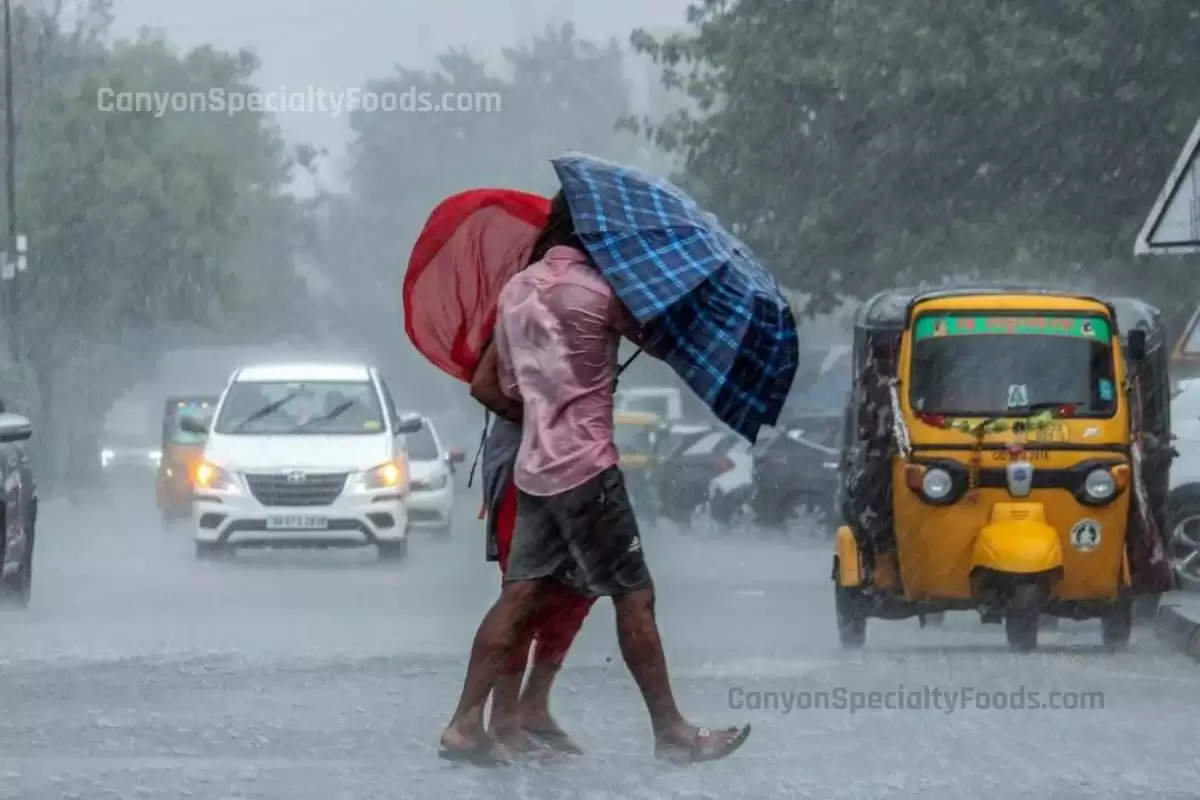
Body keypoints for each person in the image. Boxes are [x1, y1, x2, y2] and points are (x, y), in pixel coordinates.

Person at [439, 192, 750, 765]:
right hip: (587, 471)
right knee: (635, 596)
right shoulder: (600, 293)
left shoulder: (516, 292)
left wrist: (550, 402)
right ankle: (672, 731)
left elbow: (505, 387)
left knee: (518, 596)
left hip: (534, 470)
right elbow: (662, 342)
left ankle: (463, 724)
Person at [463, 339, 597, 755]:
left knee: (580, 586)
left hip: (574, 468)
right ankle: (500, 718)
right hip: (524, 472)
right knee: (524, 590)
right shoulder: (521, 304)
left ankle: (533, 704)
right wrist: (544, 418)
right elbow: (485, 386)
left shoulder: (586, 310)